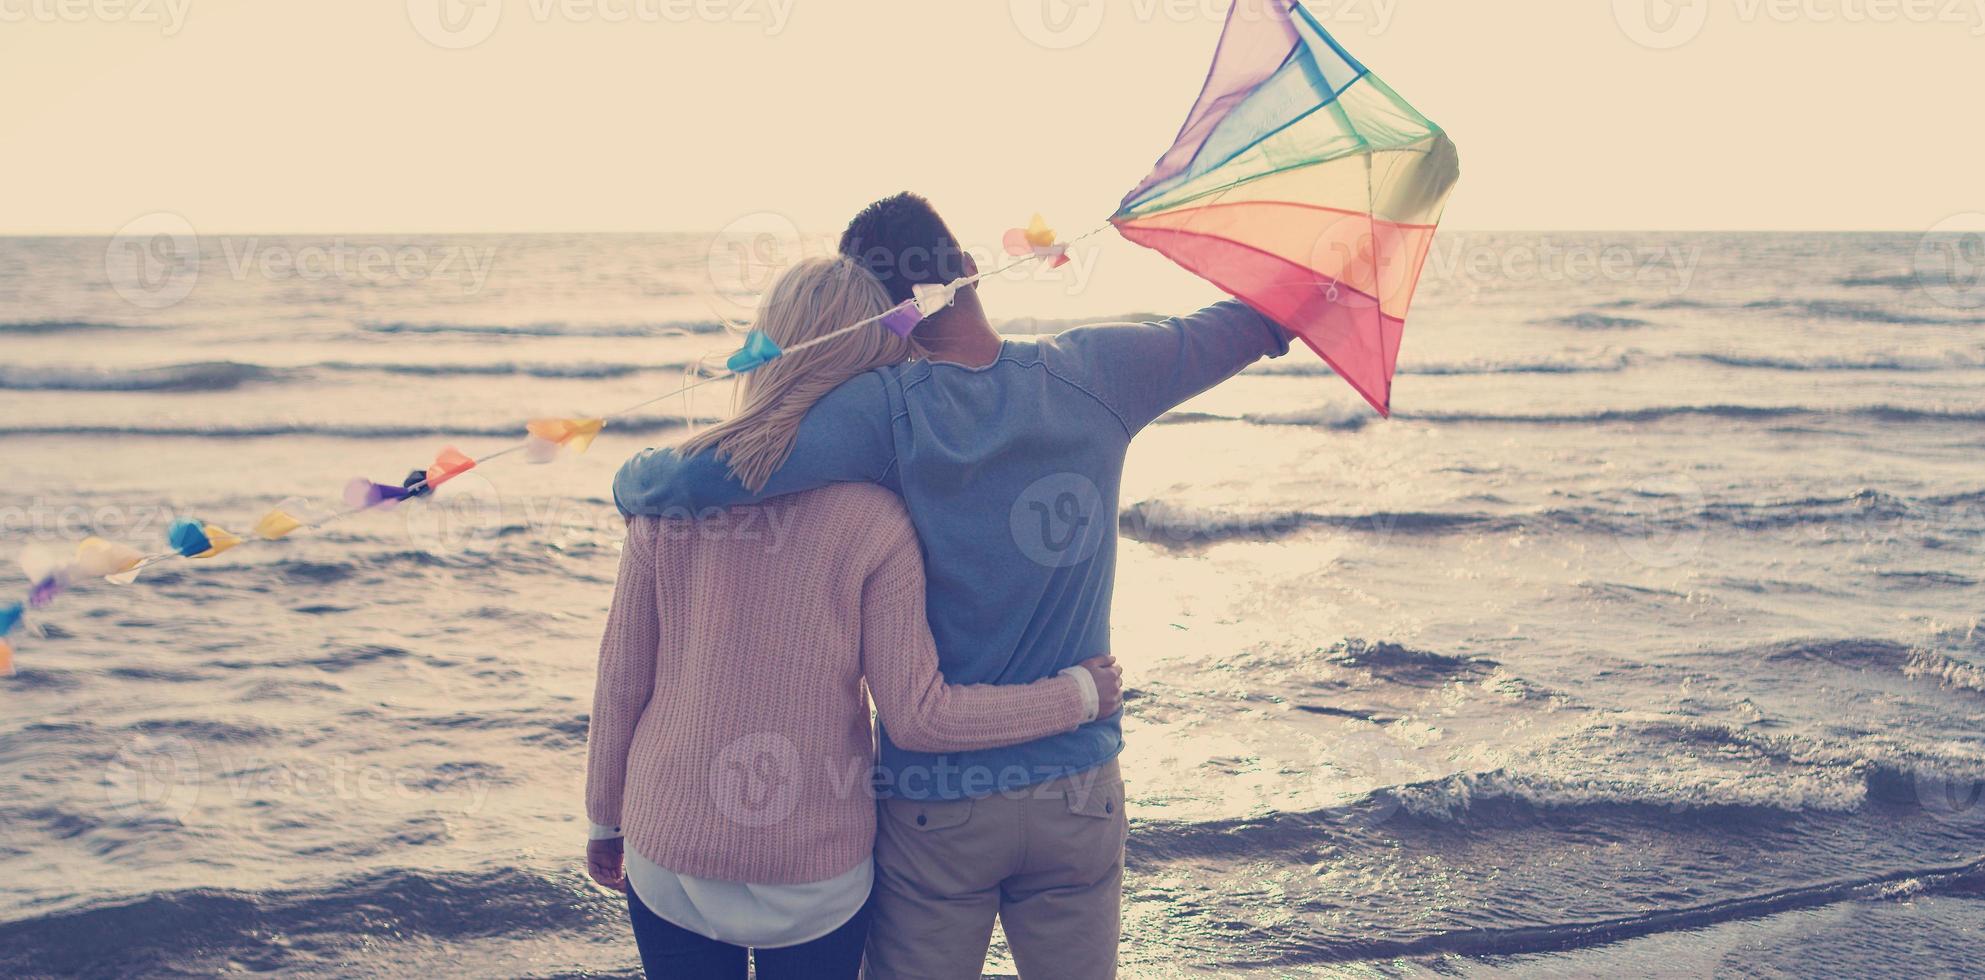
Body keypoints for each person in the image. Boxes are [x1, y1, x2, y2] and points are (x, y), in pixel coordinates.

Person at [614, 193, 1290, 979]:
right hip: (1076, 788)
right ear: (969, 267)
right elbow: (1248, 325)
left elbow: (717, 472)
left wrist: (633, 479)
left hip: (940, 804)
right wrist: (1337, 271)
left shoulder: (875, 412)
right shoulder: (1100, 371)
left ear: (873, 320)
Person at [583, 255, 1124, 980]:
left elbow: (621, 685)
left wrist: (602, 821)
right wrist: (1079, 695)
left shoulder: (668, 498)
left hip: (669, 848)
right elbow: (921, 718)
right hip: (813, 871)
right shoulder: (877, 522)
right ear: (874, 361)